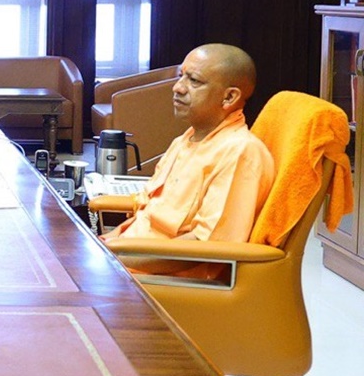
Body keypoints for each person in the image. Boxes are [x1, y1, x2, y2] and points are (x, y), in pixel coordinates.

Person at [100, 43, 275, 243]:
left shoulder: (240, 152)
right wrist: (105, 242)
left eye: (194, 80)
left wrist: (115, 253)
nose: (177, 87)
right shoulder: (185, 139)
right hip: (126, 248)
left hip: (151, 260)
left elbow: (207, 245)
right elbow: (147, 214)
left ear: (229, 97)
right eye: (181, 76)